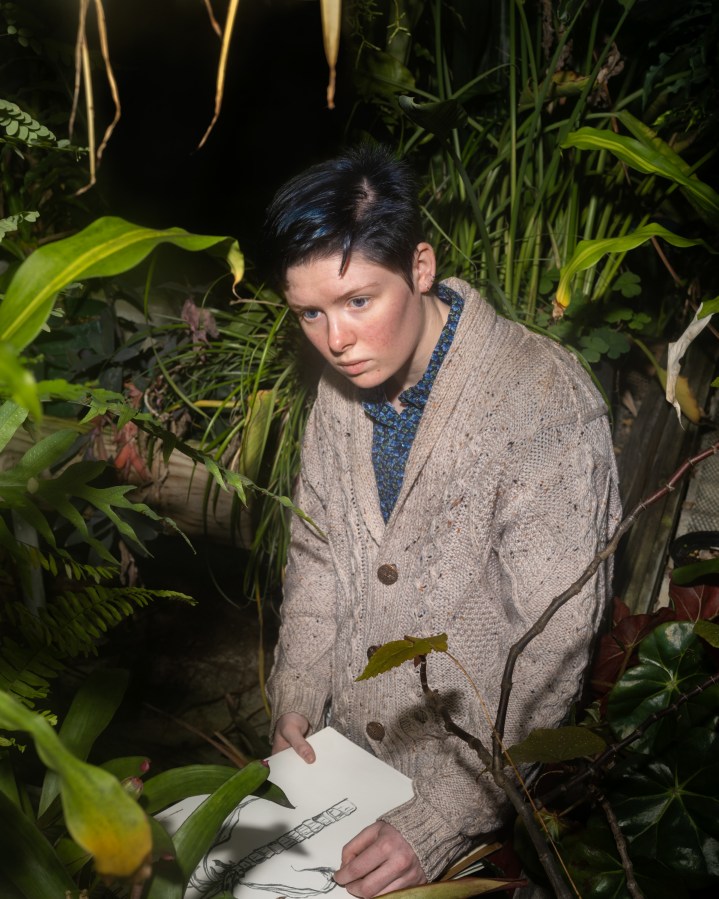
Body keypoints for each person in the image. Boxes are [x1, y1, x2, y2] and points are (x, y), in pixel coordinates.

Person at [260, 144, 621, 897]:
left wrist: (447, 815)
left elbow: (550, 648)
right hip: (343, 782)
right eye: (311, 313)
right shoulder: (337, 395)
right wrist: (295, 695)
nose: (336, 339)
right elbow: (317, 558)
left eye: (360, 299)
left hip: (476, 812)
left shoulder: (540, 400)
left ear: (419, 267)